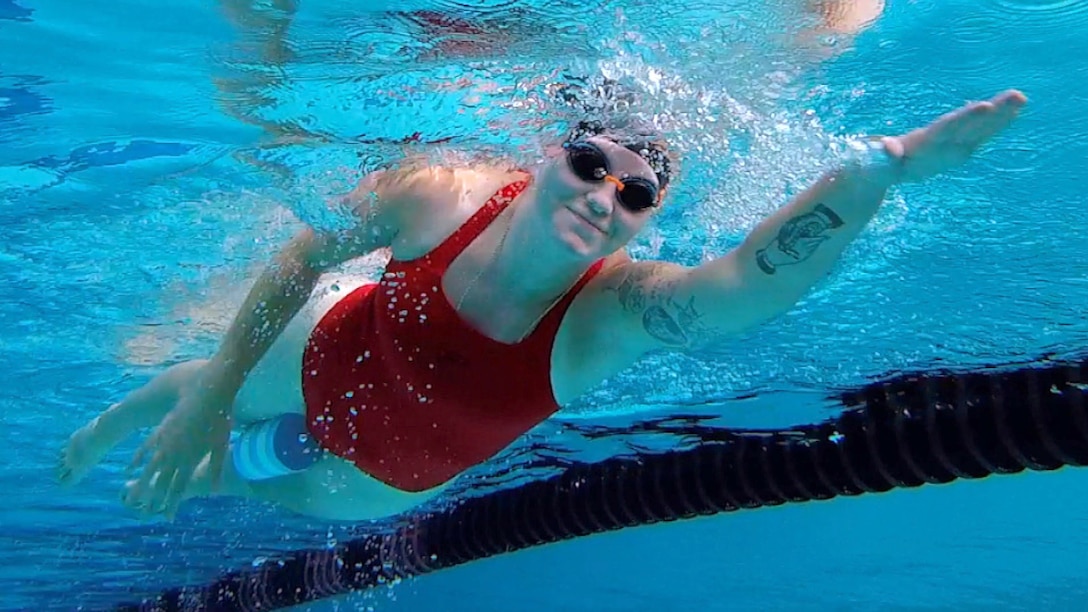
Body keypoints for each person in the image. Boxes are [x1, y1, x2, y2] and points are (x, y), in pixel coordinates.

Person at [57, 87, 1027, 522]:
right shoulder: (441, 193)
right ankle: (153, 412)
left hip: (391, 477)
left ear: (643, 223)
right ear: (547, 159)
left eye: (635, 194)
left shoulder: (609, 315)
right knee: (202, 384)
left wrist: (881, 170)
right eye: (589, 165)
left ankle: (217, 470)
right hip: (330, 349)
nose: (603, 195)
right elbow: (298, 258)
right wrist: (203, 397)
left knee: (267, 489)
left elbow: (743, 287)